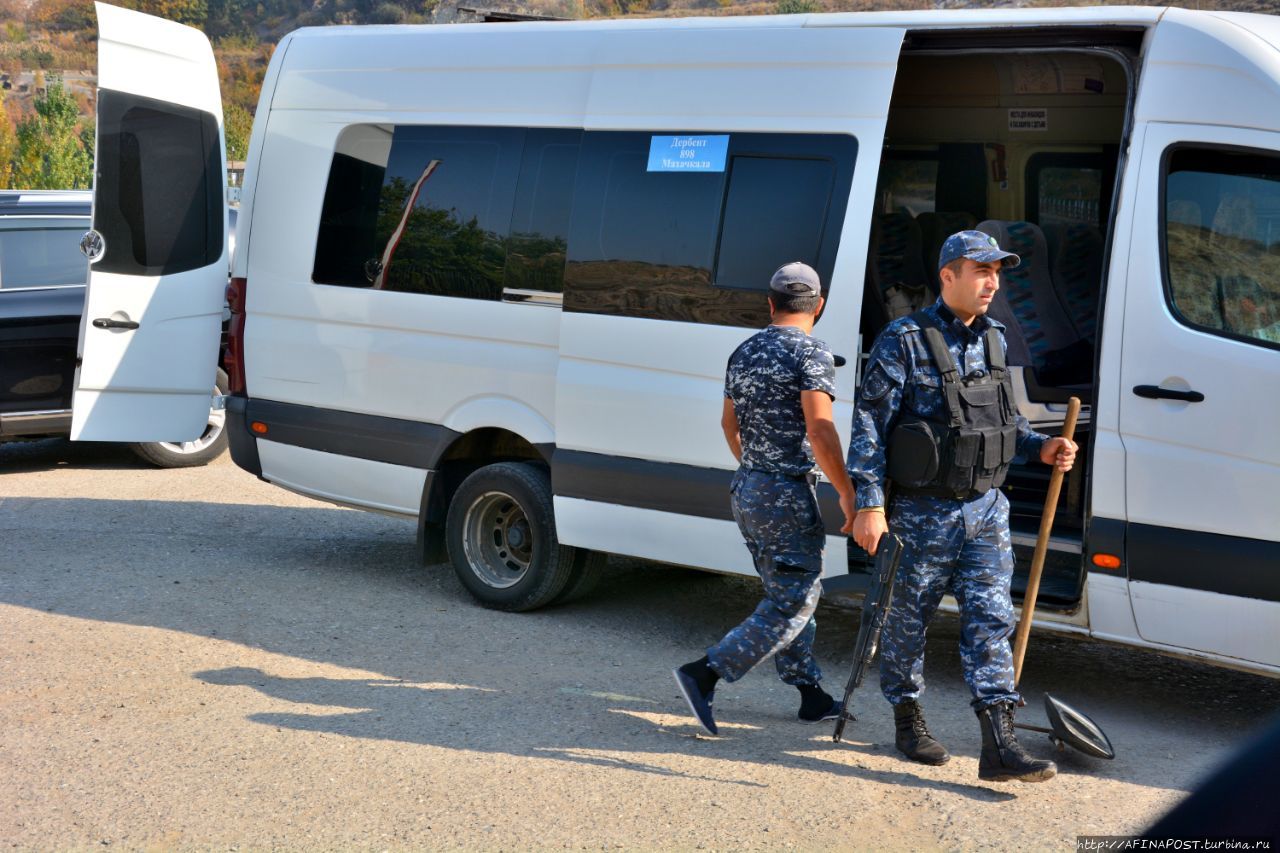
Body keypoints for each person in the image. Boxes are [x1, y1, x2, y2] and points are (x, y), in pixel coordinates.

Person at [846, 231, 1077, 783]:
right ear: (948, 275)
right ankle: (908, 720)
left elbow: (1000, 422)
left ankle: (999, 746)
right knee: (906, 625)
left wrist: (1039, 446)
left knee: (991, 621)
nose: (992, 281)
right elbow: (868, 431)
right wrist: (869, 506)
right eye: (980, 270)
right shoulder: (902, 341)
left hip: (985, 512)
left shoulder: (995, 339)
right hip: (922, 515)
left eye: (998, 271)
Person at [673, 262, 857, 736]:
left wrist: (754, 467)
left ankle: (810, 695)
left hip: (749, 488)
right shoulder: (812, 353)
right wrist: (847, 492)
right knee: (794, 602)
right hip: (786, 494)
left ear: (770, 305)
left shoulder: (744, 351)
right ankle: (705, 672)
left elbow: (727, 426)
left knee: (787, 595)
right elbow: (819, 428)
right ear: (819, 305)